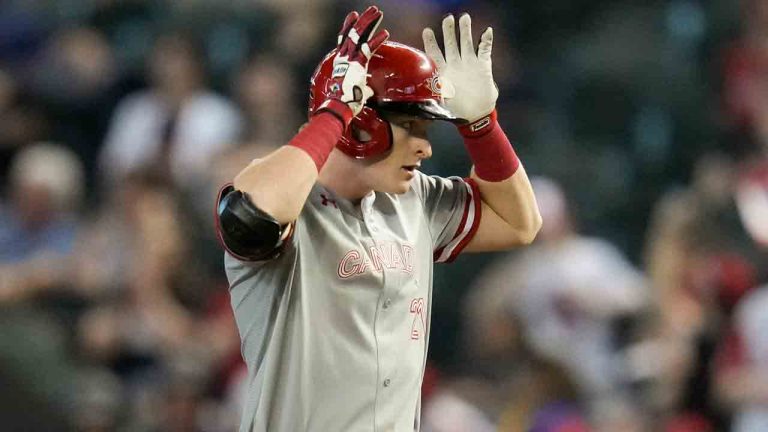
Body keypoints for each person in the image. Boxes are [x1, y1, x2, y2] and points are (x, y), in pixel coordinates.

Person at [214, 6, 541, 431]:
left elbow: (520, 223)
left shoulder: (414, 200)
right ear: (360, 124)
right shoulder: (285, 194)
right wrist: (332, 115)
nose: (424, 148)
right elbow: (250, 215)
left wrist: (481, 126)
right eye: (411, 125)